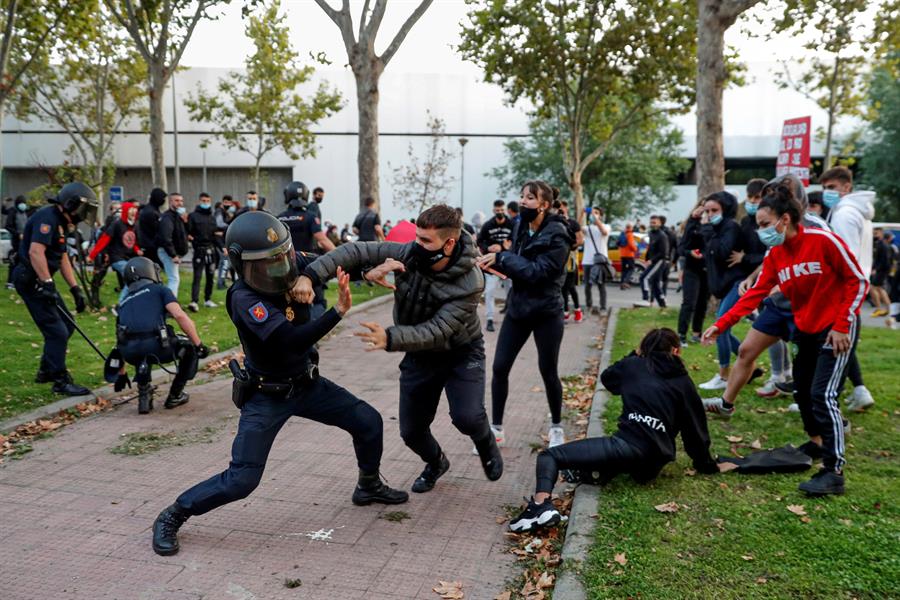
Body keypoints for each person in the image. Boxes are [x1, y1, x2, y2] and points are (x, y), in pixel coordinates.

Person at [151, 211, 407, 557]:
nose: (279, 269)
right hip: (266, 394)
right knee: (243, 480)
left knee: (368, 422)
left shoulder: (290, 261)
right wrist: (338, 312)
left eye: (284, 258)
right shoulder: (244, 298)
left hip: (307, 384)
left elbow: (332, 260)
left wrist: (364, 272)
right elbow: (290, 341)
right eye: (267, 264)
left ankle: (369, 484)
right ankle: (174, 514)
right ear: (241, 264)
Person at [297, 204, 503, 494]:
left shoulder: (470, 280)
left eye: (426, 241)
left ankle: (485, 443)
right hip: (420, 356)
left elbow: (440, 329)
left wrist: (390, 338)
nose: (417, 245)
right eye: (417, 237)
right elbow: (353, 252)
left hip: (460, 352)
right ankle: (436, 462)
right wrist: (310, 275)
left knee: (467, 417)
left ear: (450, 243)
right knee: (411, 432)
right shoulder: (409, 252)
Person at [703, 184, 867, 496]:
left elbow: (857, 280)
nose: (761, 230)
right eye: (758, 225)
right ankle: (817, 443)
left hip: (836, 327)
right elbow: (755, 296)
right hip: (806, 328)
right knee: (803, 391)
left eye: (765, 224)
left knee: (823, 395)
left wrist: (843, 324)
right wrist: (721, 325)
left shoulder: (822, 240)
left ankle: (834, 471)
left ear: (785, 220)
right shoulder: (777, 254)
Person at [509, 328, 720, 532]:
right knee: (613, 458)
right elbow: (695, 430)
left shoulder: (633, 365)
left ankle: (540, 506)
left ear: (643, 349)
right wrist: (705, 463)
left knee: (549, 456)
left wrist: (634, 355)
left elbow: (609, 379)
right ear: (676, 351)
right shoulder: (684, 382)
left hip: (626, 446)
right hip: (654, 463)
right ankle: (595, 472)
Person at [478, 181, 572, 448]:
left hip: (547, 312)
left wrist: (503, 259)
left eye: (529, 198)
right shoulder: (519, 224)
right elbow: (514, 263)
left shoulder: (559, 235)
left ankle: (556, 427)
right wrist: (490, 262)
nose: (522, 201)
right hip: (518, 308)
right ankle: (496, 429)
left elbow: (537, 272)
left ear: (543, 205)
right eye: (521, 196)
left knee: (548, 370)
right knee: (499, 368)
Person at [12, 182, 97, 396]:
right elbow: (35, 253)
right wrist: (48, 284)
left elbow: (62, 257)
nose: (83, 214)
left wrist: (75, 288)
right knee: (57, 331)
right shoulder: (47, 218)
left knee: (67, 326)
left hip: (42, 280)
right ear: (71, 204)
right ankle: (60, 381)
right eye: (82, 208)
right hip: (31, 280)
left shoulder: (60, 222)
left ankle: (46, 370)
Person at [115, 257, 209, 413]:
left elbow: (120, 340)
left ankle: (144, 394)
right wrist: (199, 345)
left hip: (130, 353)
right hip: (157, 347)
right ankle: (175, 395)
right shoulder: (160, 290)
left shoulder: (123, 303)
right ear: (150, 272)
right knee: (189, 347)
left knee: (139, 343)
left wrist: (121, 373)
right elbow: (180, 316)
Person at [821, 166, 876, 412]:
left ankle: (829, 399)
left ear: (846, 187)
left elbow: (845, 257)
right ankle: (859, 390)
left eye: (832, 188)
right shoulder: (858, 213)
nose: (827, 193)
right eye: (825, 188)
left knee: (839, 343)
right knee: (846, 343)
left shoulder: (844, 214)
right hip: (856, 286)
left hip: (844, 288)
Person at [696, 193, 746, 390]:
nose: (709, 215)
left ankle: (724, 376)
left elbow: (722, 252)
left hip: (737, 282)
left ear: (725, 210)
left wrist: (708, 231)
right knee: (724, 327)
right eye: (707, 211)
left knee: (721, 325)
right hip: (724, 285)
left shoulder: (730, 227)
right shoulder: (714, 229)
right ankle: (748, 364)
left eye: (714, 210)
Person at [88, 201, 142, 304]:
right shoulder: (116, 224)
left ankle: (128, 303)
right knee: (131, 278)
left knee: (133, 279)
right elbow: (104, 239)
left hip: (127, 257)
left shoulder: (133, 225)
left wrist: (137, 250)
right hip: (116, 257)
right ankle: (121, 304)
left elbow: (132, 240)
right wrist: (93, 255)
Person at [477, 199, 515, 332]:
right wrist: (489, 248)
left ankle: (511, 319)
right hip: (492, 265)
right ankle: (489, 319)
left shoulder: (511, 224)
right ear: (493, 210)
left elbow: (516, 242)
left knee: (510, 291)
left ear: (505, 210)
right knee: (490, 292)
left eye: (502, 210)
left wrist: (507, 247)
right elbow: (480, 242)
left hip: (508, 263)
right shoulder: (487, 225)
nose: (500, 212)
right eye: (497, 210)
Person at [676, 200, 710, 346]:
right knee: (689, 302)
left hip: (708, 269)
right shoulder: (691, 224)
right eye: (703, 206)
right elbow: (682, 248)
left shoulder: (717, 225)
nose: (705, 210)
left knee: (702, 302)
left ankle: (697, 332)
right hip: (692, 268)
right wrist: (690, 252)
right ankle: (681, 334)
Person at [278, 181, 335, 256]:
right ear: (306, 195)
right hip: (306, 262)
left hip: (287, 263)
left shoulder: (279, 218)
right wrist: (340, 255)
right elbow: (322, 240)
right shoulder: (310, 216)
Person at [186, 193, 220, 312]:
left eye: (207, 200)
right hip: (199, 251)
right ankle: (194, 301)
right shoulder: (193, 216)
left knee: (210, 276)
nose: (205, 202)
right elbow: (188, 232)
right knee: (197, 277)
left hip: (211, 250)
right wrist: (193, 241)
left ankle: (207, 299)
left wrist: (222, 247)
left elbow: (215, 235)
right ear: (199, 201)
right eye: (203, 200)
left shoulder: (212, 217)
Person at [555, 199, 583, 322]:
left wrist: (570, 247)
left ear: (566, 208)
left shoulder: (572, 223)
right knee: (562, 287)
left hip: (570, 259)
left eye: (562, 208)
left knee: (570, 287)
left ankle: (576, 310)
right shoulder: (554, 222)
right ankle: (566, 311)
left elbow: (580, 239)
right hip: (558, 259)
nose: (560, 210)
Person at [156, 193, 189, 296]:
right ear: (170, 202)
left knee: (172, 278)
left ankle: (168, 302)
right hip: (168, 252)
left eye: (181, 201)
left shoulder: (178, 217)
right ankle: (170, 304)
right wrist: (173, 255)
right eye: (177, 200)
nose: (180, 203)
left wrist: (186, 222)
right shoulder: (167, 218)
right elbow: (166, 238)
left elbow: (183, 233)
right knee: (174, 279)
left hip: (173, 252)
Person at [581, 206, 610, 314]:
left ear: (600, 216)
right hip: (587, 261)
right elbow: (578, 227)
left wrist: (594, 215)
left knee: (601, 285)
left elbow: (604, 232)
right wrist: (582, 213)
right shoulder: (587, 228)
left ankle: (603, 307)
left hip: (600, 262)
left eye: (597, 212)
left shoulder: (606, 226)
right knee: (587, 286)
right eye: (593, 212)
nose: (594, 214)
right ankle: (589, 305)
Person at [635, 215, 669, 308]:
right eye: (651, 223)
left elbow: (663, 253)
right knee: (655, 283)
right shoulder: (650, 233)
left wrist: (651, 260)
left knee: (644, 278)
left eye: (654, 223)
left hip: (659, 261)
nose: (652, 224)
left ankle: (645, 299)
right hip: (652, 261)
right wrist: (645, 259)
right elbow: (648, 247)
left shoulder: (662, 236)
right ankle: (663, 305)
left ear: (659, 223)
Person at [137, 188, 166, 266]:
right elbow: (156, 229)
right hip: (150, 245)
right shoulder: (151, 212)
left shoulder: (152, 210)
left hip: (150, 244)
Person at [5, 195, 29, 288]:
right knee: (15, 261)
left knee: (22, 262)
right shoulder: (13, 212)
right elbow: (8, 226)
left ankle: (18, 281)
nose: (23, 205)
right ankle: (10, 282)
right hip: (16, 241)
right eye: (21, 203)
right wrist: (18, 234)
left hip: (24, 241)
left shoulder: (25, 213)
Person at [870, 227, 892, 316]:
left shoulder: (883, 245)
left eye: (877, 233)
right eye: (874, 233)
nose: (875, 235)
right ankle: (887, 308)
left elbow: (885, 260)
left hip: (882, 270)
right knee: (879, 289)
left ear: (881, 234)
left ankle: (879, 308)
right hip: (881, 270)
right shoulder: (878, 244)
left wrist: (876, 269)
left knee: (873, 288)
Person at [659, 215, 678, 299]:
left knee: (656, 278)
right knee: (665, 278)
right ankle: (663, 295)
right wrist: (674, 261)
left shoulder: (657, 232)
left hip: (658, 258)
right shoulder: (671, 232)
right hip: (668, 258)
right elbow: (677, 247)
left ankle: (653, 297)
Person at [618, 223, 638, 288]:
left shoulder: (622, 234)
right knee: (631, 268)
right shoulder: (630, 234)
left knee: (624, 269)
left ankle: (622, 283)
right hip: (629, 255)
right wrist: (635, 249)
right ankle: (625, 282)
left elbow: (618, 243)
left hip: (622, 254)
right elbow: (631, 244)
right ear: (631, 228)